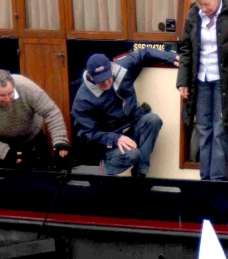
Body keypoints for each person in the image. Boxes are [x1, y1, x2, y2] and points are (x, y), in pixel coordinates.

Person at [176, 0, 228, 181]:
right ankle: (204, 178)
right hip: (201, 80)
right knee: (203, 127)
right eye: (200, 4)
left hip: (225, 82)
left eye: (207, 4)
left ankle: (218, 180)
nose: (203, 8)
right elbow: (186, 49)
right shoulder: (193, 16)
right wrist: (183, 81)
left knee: (220, 128)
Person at [71, 48, 177, 178]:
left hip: (132, 126)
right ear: (90, 77)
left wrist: (171, 57)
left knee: (153, 120)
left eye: (107, 77)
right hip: (109, 143)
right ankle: (107, 169)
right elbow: (86, 134)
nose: (106, 82)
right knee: (133, 154)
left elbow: (145, 53)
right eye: (100, 80)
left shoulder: (122, 68)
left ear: (111, 67)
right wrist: (115, 139)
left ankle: (140, 175)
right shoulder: (82, 100)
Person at [0, 69, 70, 169]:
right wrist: (5, 152)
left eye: (10, 93)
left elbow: (51, 112)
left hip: (34, 138)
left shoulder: (26, 87)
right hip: (3, 142)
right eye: (2, 95)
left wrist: (60, 141)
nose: (7, 99)